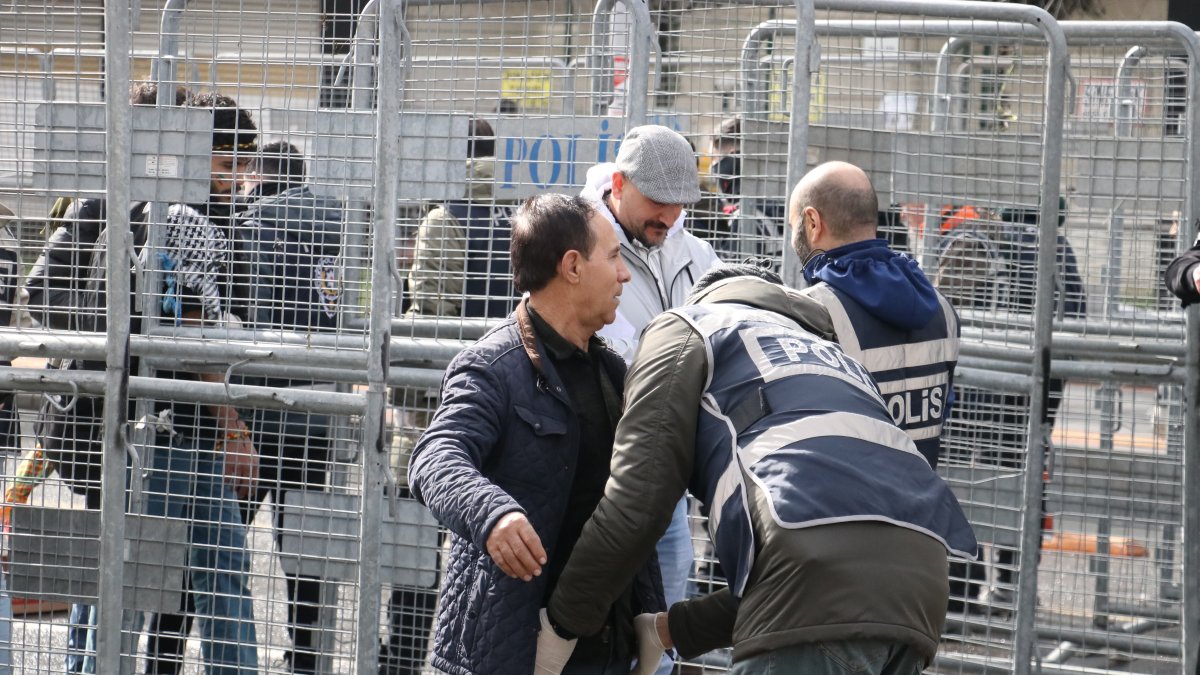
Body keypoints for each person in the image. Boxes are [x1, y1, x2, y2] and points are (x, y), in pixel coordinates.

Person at [542, 262, 977, 674]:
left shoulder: (688, 326)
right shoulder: (836, 358)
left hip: (818, 579)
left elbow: (636, 503)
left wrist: (561, 626)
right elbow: (813, 566)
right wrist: (669, 631)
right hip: (924, 580)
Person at [406, 193, 664, 675]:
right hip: (508, 650)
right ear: (572, 267)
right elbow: (434, 457)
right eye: (613, 258)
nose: (624, 274)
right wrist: (493, 514)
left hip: (605, 648)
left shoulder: (611, 371)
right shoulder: (492, 368)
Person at [580, 125, 720, 674]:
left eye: (679, 205)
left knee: (663, 614)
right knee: (596, 616)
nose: (669, 218)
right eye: (657, 205)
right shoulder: (582, 241)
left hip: (666, 478)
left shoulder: (696, 250)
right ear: (618, 184)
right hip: (602, 471)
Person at [383, 118, 513, 674]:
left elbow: (428, 318)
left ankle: (404, 660)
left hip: (434, 419)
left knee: (414, 570)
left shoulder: (445, 220)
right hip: (504, 413)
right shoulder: (520, 219)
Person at [139, 90, 261, 675]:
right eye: (227, 162)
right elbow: (192, 331)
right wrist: (233, 428)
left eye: (244, 162)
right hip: (178, 428)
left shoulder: (148, 205)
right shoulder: (188, 218)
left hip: (166, 426)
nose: (238, 177)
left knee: (134, 575)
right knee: (212, 573)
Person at [232, 140, 343, 674]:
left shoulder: (251, 222)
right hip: (316, 400)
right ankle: (305, 651)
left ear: (259, 172)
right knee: (302, 541)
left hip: (257, 403)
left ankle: (189, 643)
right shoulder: (333, 221)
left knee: (225, 535)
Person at [791, 161, 960, 468]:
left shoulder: (813, 313)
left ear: (812, 222)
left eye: (794, 227)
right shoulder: (941, 308)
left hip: (845, 509)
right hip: (922, 506)